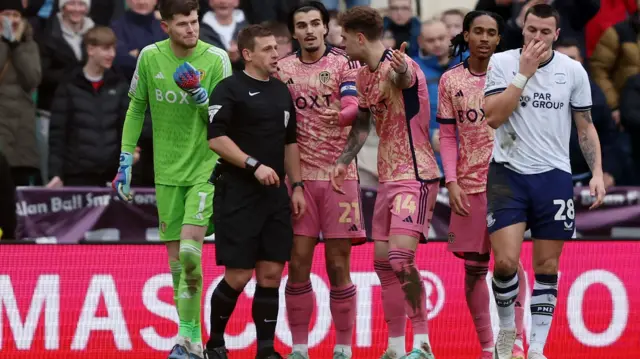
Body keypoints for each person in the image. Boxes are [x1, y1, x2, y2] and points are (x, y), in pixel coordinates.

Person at [483, 4, 606, 359]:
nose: (537, 37)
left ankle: (537, 347)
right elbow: (493, 117)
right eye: (531, 30)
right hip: (508, 172)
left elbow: (585, 126)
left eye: (544, 32)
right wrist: (523, 74)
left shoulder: (573, 71)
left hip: (553, 176)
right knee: (505, 262)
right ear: (523, 28)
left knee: (547, 267)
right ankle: (507, 334)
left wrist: (596, 172)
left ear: (556, 34)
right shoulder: (502, 63)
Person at [112, 0, 232, 357]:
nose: (191, 30)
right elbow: (136, 106)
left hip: (206, 168)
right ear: (165, 27)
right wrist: (124, 159)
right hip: (166, 171)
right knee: (178, 264)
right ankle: (190, 340)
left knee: (192, 256)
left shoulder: (216, 58)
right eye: (182, 24)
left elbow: (226, 115)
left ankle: (186, 338)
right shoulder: (149, 57)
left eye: (194, 21)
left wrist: (199, 97)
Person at [336, 6, 441, 359]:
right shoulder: (363, 75)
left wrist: (399, 70)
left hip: (416, 174)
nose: (341, 41)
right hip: (387, 177)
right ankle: (396, 346)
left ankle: (422, 342)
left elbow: (404, 80)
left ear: (359, 37)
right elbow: (363, 124)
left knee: (399, 257)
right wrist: (343, 160)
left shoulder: (402, 65)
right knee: (382, 262)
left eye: (344, 36)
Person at [205, 24, 305, 359]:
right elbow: (216, 138)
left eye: (276, 48)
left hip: (275, 194)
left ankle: (266, 349)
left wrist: (298, 185)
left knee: (271, 273)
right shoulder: (228, 89)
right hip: (238, 192)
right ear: (247, 54)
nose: (275, 54)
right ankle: (215, 343)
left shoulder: (281, 91)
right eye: (267, 49)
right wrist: (253, 165)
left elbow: (290, 142)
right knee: (238, 274)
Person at [274, 2, 365, 359]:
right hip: (298, 179)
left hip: (340, 176)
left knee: (338, 264)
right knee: (297, 262)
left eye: (315, 23)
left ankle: (343, 348)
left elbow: (355, 109)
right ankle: (299, 349)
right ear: (293, 32)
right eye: (302, 25)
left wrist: (345, 111)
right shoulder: (282, 70)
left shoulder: (345, 63)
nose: (309, 30)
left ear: (326, 27)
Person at [436, 11, 527, 359]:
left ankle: (514, 343)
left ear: (500, 39)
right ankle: (489, 348)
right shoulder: (450, 81)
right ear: (467, 35)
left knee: (508, 262)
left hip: (509, 183)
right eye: (479, 32)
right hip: (470, 186)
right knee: (475, 270)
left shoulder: (515, 76)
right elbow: (447, 135)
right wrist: (452, 180)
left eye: (492, 32)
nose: (485, 38)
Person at [48, 26, 129, 188]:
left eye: (113, 48)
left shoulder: (119, 85)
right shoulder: (69, 85)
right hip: (76, 176)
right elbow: (57, 135)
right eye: (106, 49)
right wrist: (55, 173)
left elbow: (126, 131)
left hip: (111, 175)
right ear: (91, 50)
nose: (112, 54)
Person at [0, 0, 42, 186]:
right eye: (7, 14)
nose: (12, 20)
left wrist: (16, 47)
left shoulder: (29, 44)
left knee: (19, 184)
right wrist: (4, 42)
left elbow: (33, 79)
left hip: (22, 127)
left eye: (16, 15)